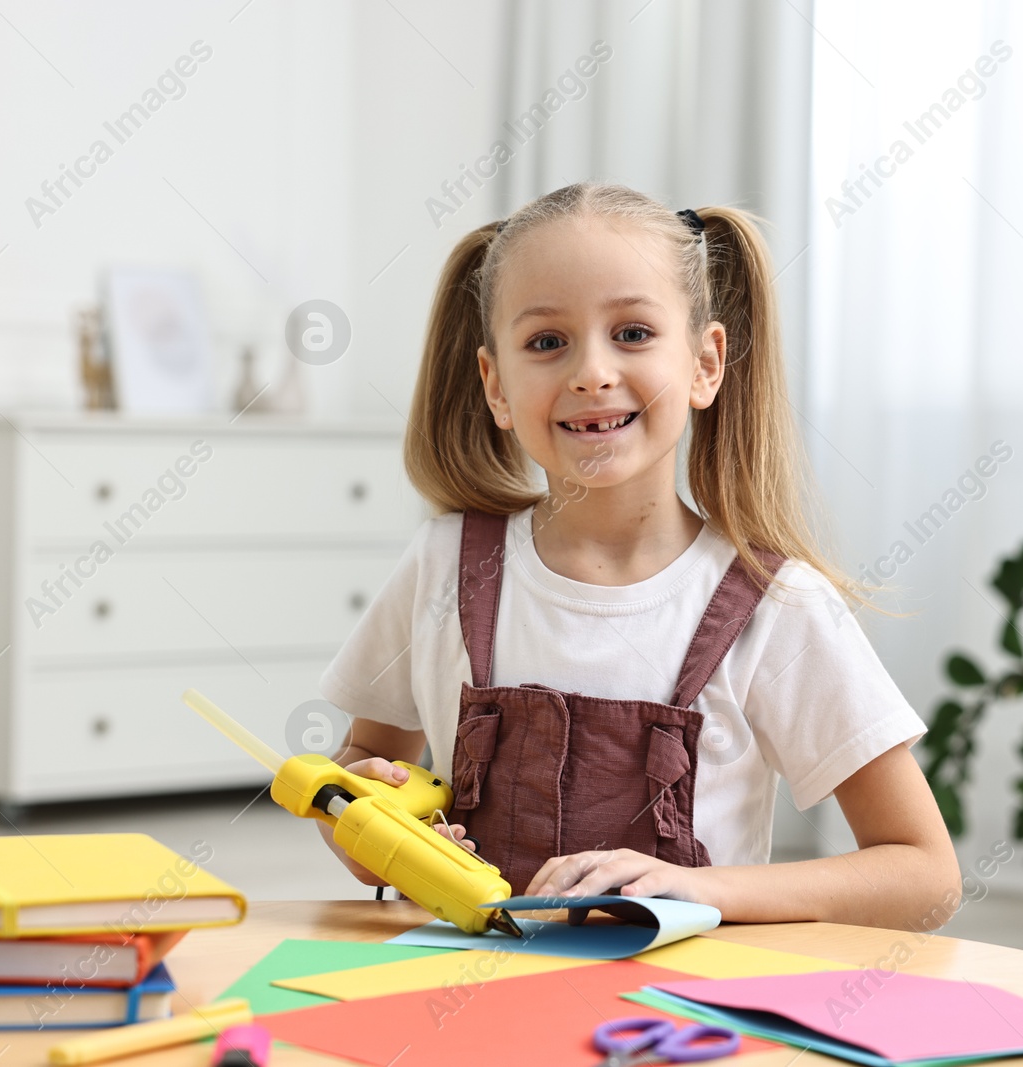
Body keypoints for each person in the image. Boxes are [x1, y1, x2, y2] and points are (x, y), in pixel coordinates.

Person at [315, 181, 960, 928]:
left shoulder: (776, 604)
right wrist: (364, 820)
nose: (591, 372)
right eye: (547, 342)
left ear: (705, 364)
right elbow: (363, 757)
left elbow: (925, 872)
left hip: (675, 1020)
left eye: (632, 333)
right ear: (495, 385)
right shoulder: (442, 563)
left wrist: (705, 890)